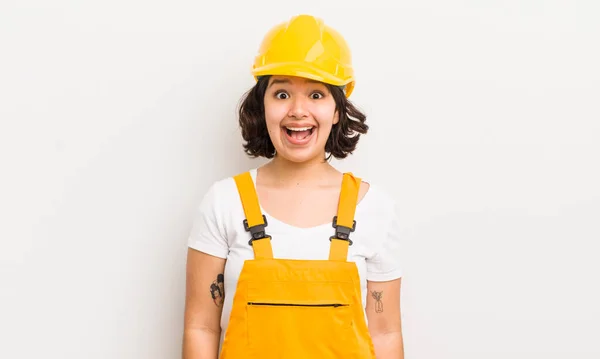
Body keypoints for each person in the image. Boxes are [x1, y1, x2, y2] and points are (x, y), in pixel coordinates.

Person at [183, 14, 404, 359]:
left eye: (316, 94)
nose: (298, 111)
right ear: (263, 105)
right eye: (282, 93)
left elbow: (385, 332)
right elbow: (201, 326)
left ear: (336, 111)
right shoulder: (224, 202)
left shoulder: (374, 208)